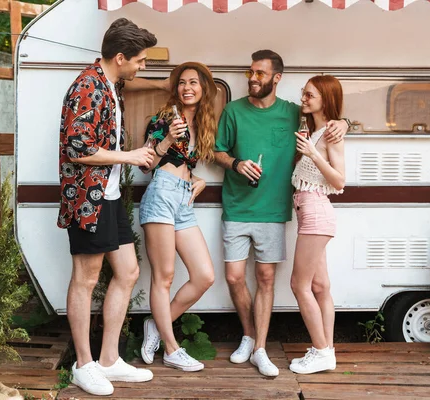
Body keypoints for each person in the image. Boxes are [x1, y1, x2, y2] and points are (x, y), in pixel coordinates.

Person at [213, 50, 348, 377]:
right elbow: (217, 151)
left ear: (276, 78)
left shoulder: (294, 115)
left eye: (261, 73)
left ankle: (266, 348)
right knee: (241, 278)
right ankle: (264, 338)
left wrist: (342, 123)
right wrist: (236, 163)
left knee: (281, 281)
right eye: (250, 73)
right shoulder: (234, 110)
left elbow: (332, 127)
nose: (253, 79)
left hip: (282, 212)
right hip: (241, 207)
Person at [58, 18, 161, 396]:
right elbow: (78, 148)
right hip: (87, 200)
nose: (142, 66)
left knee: (128, 272)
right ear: (121, 57)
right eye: (140, 61)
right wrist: (130, 156)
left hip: (109, 196)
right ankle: (83, 365)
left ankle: (108, 360)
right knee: (85, 279)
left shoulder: (110, 84)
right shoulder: (87, 87)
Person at [139, 62, 217, 372]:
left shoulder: (204, 124)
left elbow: (190, 164)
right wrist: (168, 138)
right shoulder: (164, 119)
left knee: (204, 276)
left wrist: (200, 180)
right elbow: (146, 164)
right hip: (161, 194)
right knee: (165, 277)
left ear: (203, 88)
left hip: (184, 198)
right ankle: (171, 349)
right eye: (182, 82)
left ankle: (156, 326)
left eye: (193, 83)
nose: (187, 87)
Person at [289, 76, 345, 374]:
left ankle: (321, 351)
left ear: (326, 98)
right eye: (304, 93)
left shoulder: (330, 135)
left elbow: (339, 180)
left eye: (310, 94)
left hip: (315, 212)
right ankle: (328, 350)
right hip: (309, 212)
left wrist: (312, 153)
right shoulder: (318, 130)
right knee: (320, 285)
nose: (305, 98)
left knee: (299, 285)